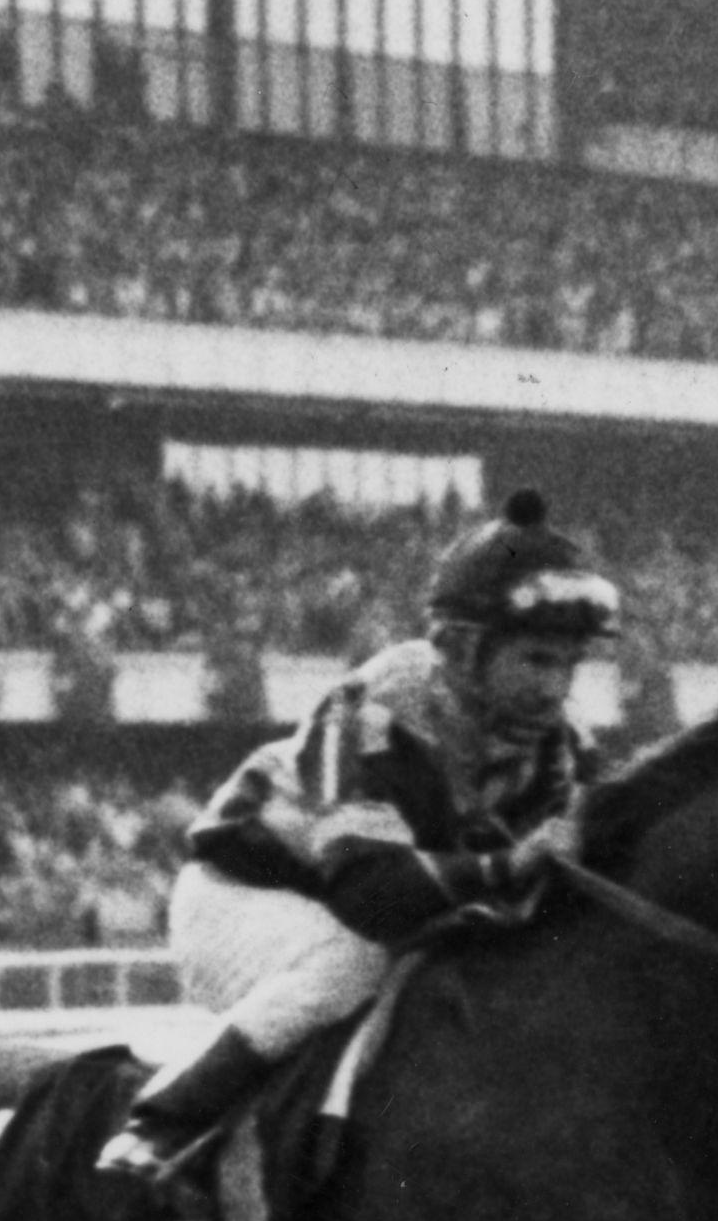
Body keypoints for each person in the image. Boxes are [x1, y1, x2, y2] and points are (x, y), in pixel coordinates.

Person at [99, 484, 618, 1183]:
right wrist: (511, 865)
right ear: (462, 649)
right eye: (534, 660)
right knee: (351, 963)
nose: (555, 688)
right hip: (245, 895)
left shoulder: (565, 746)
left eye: (567, 664)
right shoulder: (374, 707)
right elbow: (371, 894)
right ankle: (165, 1119)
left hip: (379, 913)